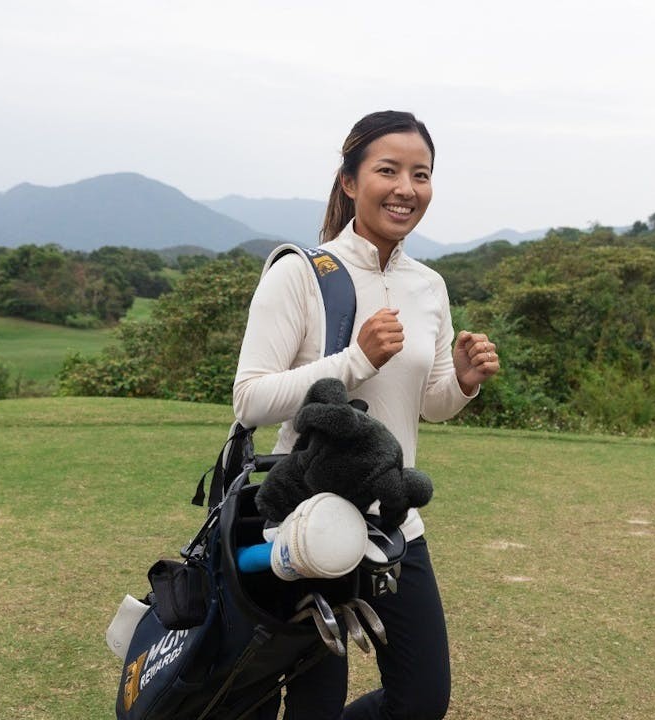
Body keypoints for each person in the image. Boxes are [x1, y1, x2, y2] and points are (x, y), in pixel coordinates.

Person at [233, 110, 501, 720]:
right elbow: (250, 399)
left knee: (422, 699)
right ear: (350, 182)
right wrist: (352, 361)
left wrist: (461, 381)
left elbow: (426, 406)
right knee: (315, 703)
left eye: (422, 174)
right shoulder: (301, 273)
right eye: (389, 170)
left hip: (393, 522)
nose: (407, 188)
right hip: (309, 526)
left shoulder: (429, 285)